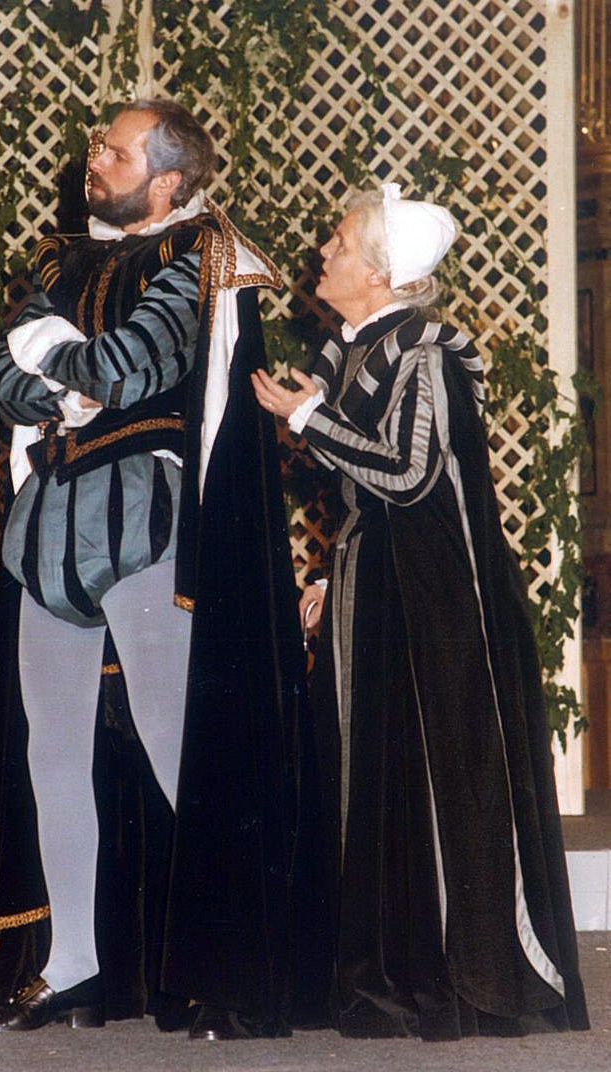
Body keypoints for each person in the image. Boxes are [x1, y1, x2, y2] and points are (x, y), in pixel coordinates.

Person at [0, 97, 330, 1039]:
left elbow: (132, 366)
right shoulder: (62, 260)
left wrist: (50, 359)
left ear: (166, 179)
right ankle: (73, 968)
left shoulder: (200, 253)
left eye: (116, 152)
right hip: (52, 517)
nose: (94, 159)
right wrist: (59, 378)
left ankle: (233, 966)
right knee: (53, 748)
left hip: (148, 517)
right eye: (96, 145)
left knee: (176, 742)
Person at [252, 184, 589, 1040]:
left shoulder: (426, 355)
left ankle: (449, 980)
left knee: (435, 780)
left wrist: (307, 416)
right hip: (375, 581)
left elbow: (408, 474)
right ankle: (380, 977)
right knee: (374, 776)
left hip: (434, 599)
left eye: (337, 243)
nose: (322, 252)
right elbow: (363, 493)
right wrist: (329, 567)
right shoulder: (355, 350)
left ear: (380, 272)